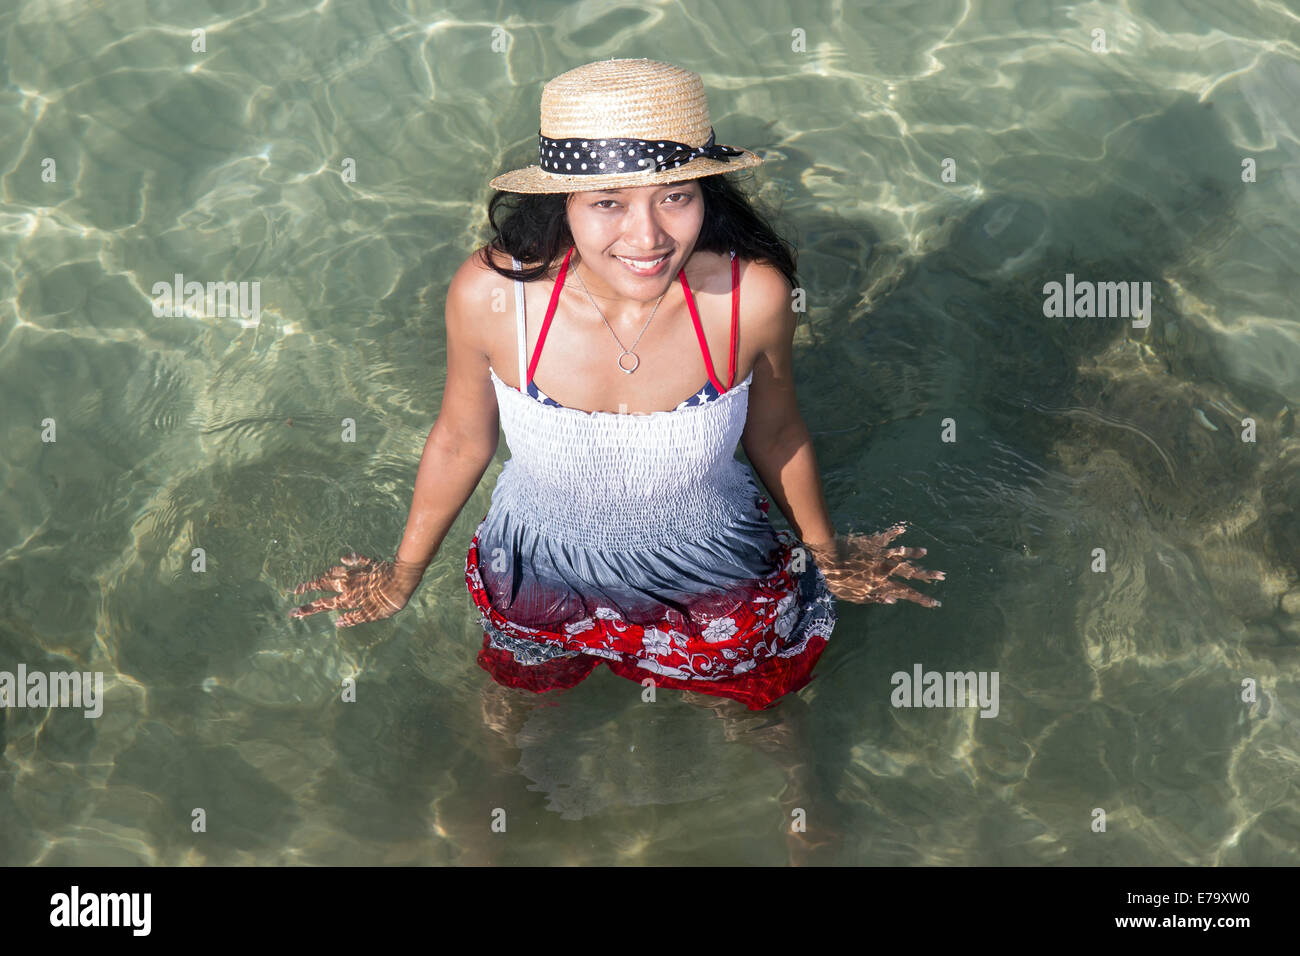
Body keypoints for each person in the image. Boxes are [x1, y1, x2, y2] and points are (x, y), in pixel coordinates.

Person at [290, 58, 945, 713]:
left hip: (716, 576)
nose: (649, 236)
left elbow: (775, 433)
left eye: (675, 196)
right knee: (517, 710)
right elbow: (462, 440)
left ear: (704, 197)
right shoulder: (497, 298)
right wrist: (402, 574)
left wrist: (827, 555)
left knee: (755, 713)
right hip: (534, 572)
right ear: (561, 204)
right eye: (609, 202)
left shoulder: (747, 297)